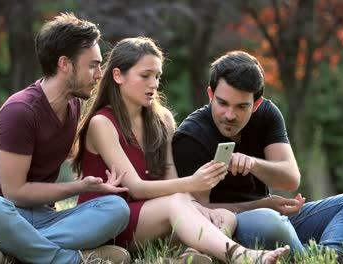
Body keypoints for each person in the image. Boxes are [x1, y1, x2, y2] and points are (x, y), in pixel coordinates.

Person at [72, 37, 290, 264]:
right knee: (176, 202)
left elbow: (171, 179)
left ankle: (189, 258)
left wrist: (198, 207)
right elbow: (135, 189)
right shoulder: (102, 123)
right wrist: (193, 184)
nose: (154, 84)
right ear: (118, 76)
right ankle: (240, 255)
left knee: (223, 216)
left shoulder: (162, 120)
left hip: (148, 221)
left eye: (157, 76)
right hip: (109, 222)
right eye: (145, 76)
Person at [172, 50, 343, 262]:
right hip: (232, 229)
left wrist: (253, 164)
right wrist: (260, 205)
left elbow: (290, 179)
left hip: (274, 220)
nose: (230, 115)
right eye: (223, 103)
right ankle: (324, 258)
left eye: (242, 106)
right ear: (210, 95)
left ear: (257, 104)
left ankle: (326, 255)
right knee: (269, 221)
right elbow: (194, 214)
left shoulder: (267, 114)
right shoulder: (192, 136)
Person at [0, 13, 132, 264]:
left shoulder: (74, 107)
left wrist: (96, 183)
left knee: (116, 209)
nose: (99, 74)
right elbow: (15, 193)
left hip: (46, 218)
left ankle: (16, 252)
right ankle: (73, 260)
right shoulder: (21, 111)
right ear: (64, 64)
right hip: (6, 216)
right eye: (93, 65)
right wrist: (80, 187)